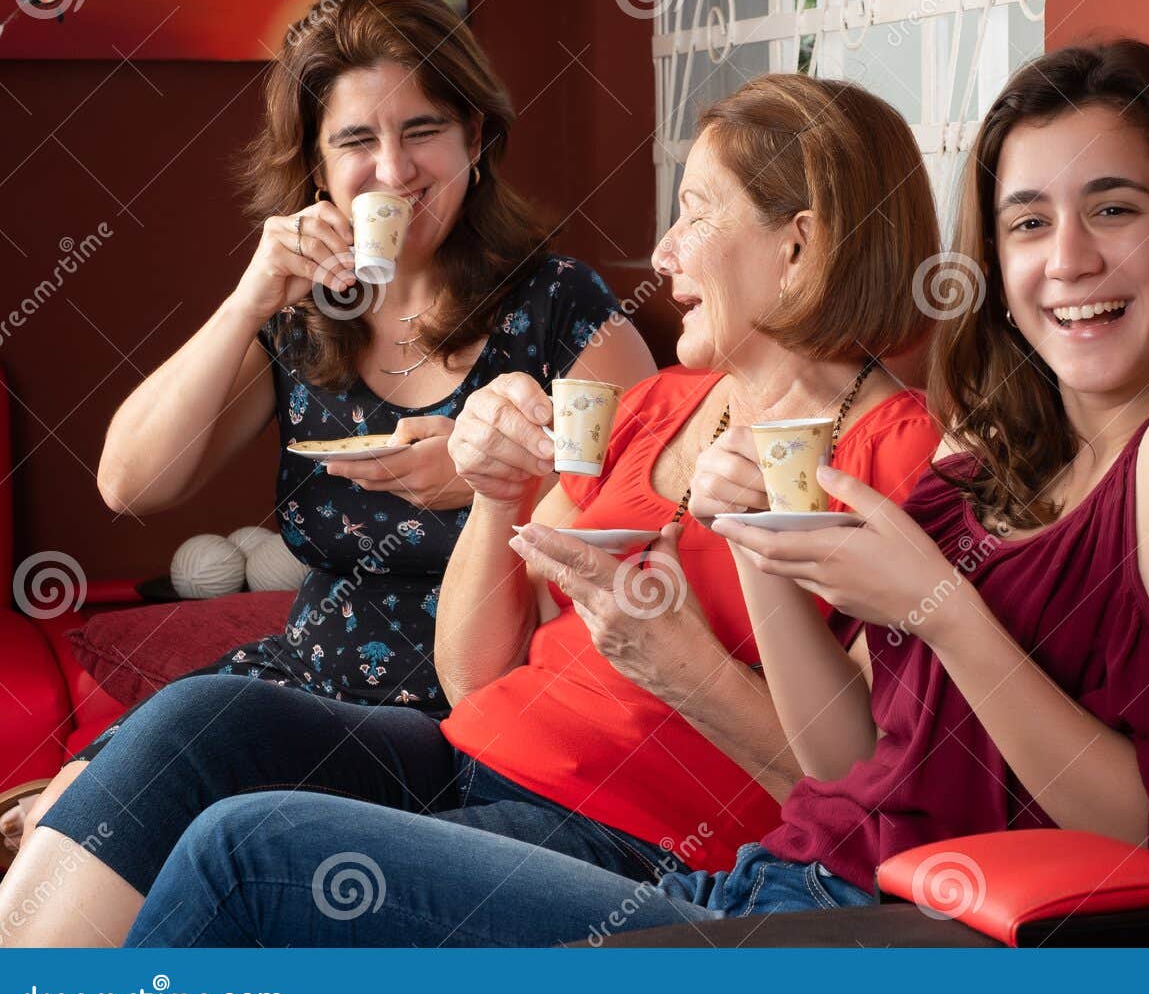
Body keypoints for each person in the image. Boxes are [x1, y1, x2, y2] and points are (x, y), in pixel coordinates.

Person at [112, 37, 1149, 946]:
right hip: (776, 888)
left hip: (863, 932)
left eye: (1112, 210)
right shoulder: (995, 455)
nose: (1067, 260)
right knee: (220, 794)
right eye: (1026, 223)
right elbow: (852, 765)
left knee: (246, 854)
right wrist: (757, 545)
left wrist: (936, 603)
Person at [0, 73, 945, 946]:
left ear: (801, 241)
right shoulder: (659, 408)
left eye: (694, 214)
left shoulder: (904, 460)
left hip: (637, 844)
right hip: (469, 755)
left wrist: (681, 666)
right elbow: (474, 675)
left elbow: (871, 793)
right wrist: (500, 495)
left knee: (249, 848)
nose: (662, 254)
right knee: (197, 725)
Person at [0, 0, 654, 869]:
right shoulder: (308, 314)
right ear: (316, 167)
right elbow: (129, 483)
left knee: (143, 812)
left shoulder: (558, 305)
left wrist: (497, 479)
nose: (394, 170)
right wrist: (247, 300)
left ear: (476, 136)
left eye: (423, 129)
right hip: (301, 681)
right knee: (67, 818)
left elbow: (644, 526)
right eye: (357, 140)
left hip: (466, 718)